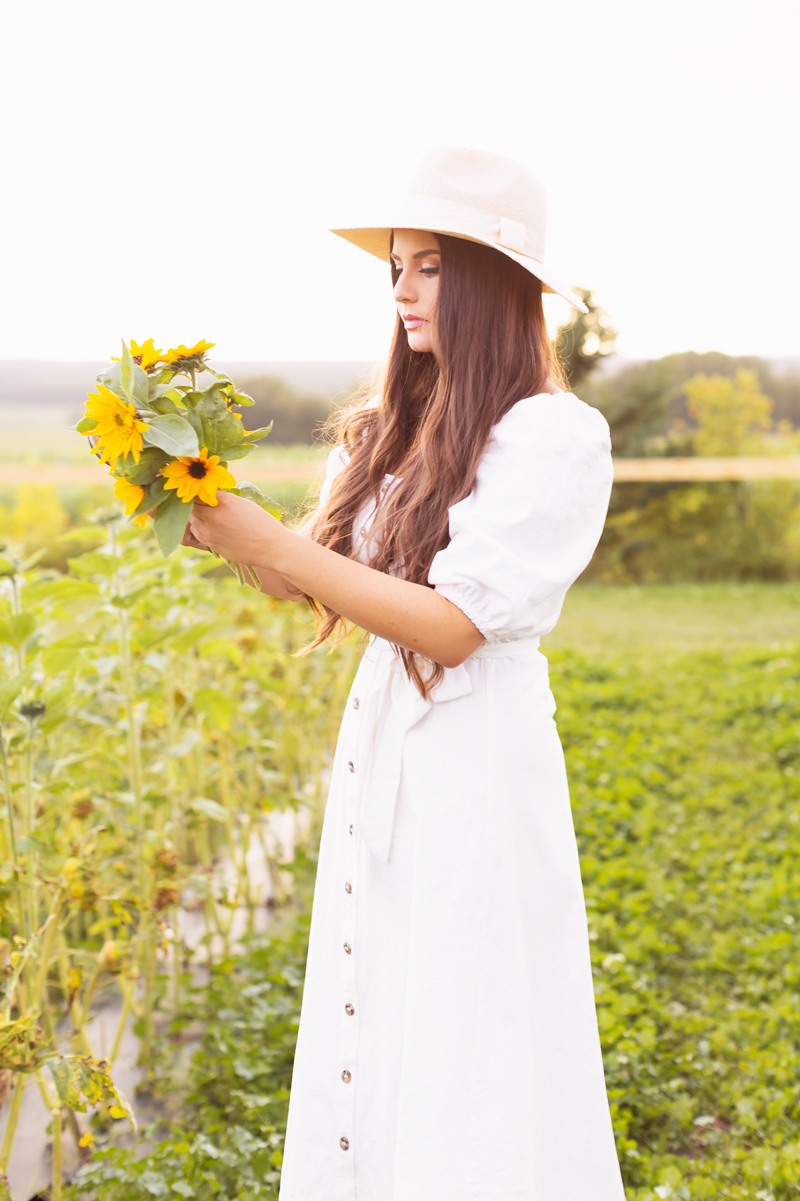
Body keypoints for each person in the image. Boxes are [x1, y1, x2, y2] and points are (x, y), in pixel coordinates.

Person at [185, 147, 625, 1201]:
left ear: (490, 281)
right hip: (384, 736)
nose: (401, 288)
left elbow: (455, 625)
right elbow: (316, 585)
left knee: (465, 1018)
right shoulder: (397, 427)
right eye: (395, 265)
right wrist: (213, 517)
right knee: (373, 993)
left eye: (428, 265)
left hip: (473, 755)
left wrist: (279, 549)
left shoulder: (549, 434)